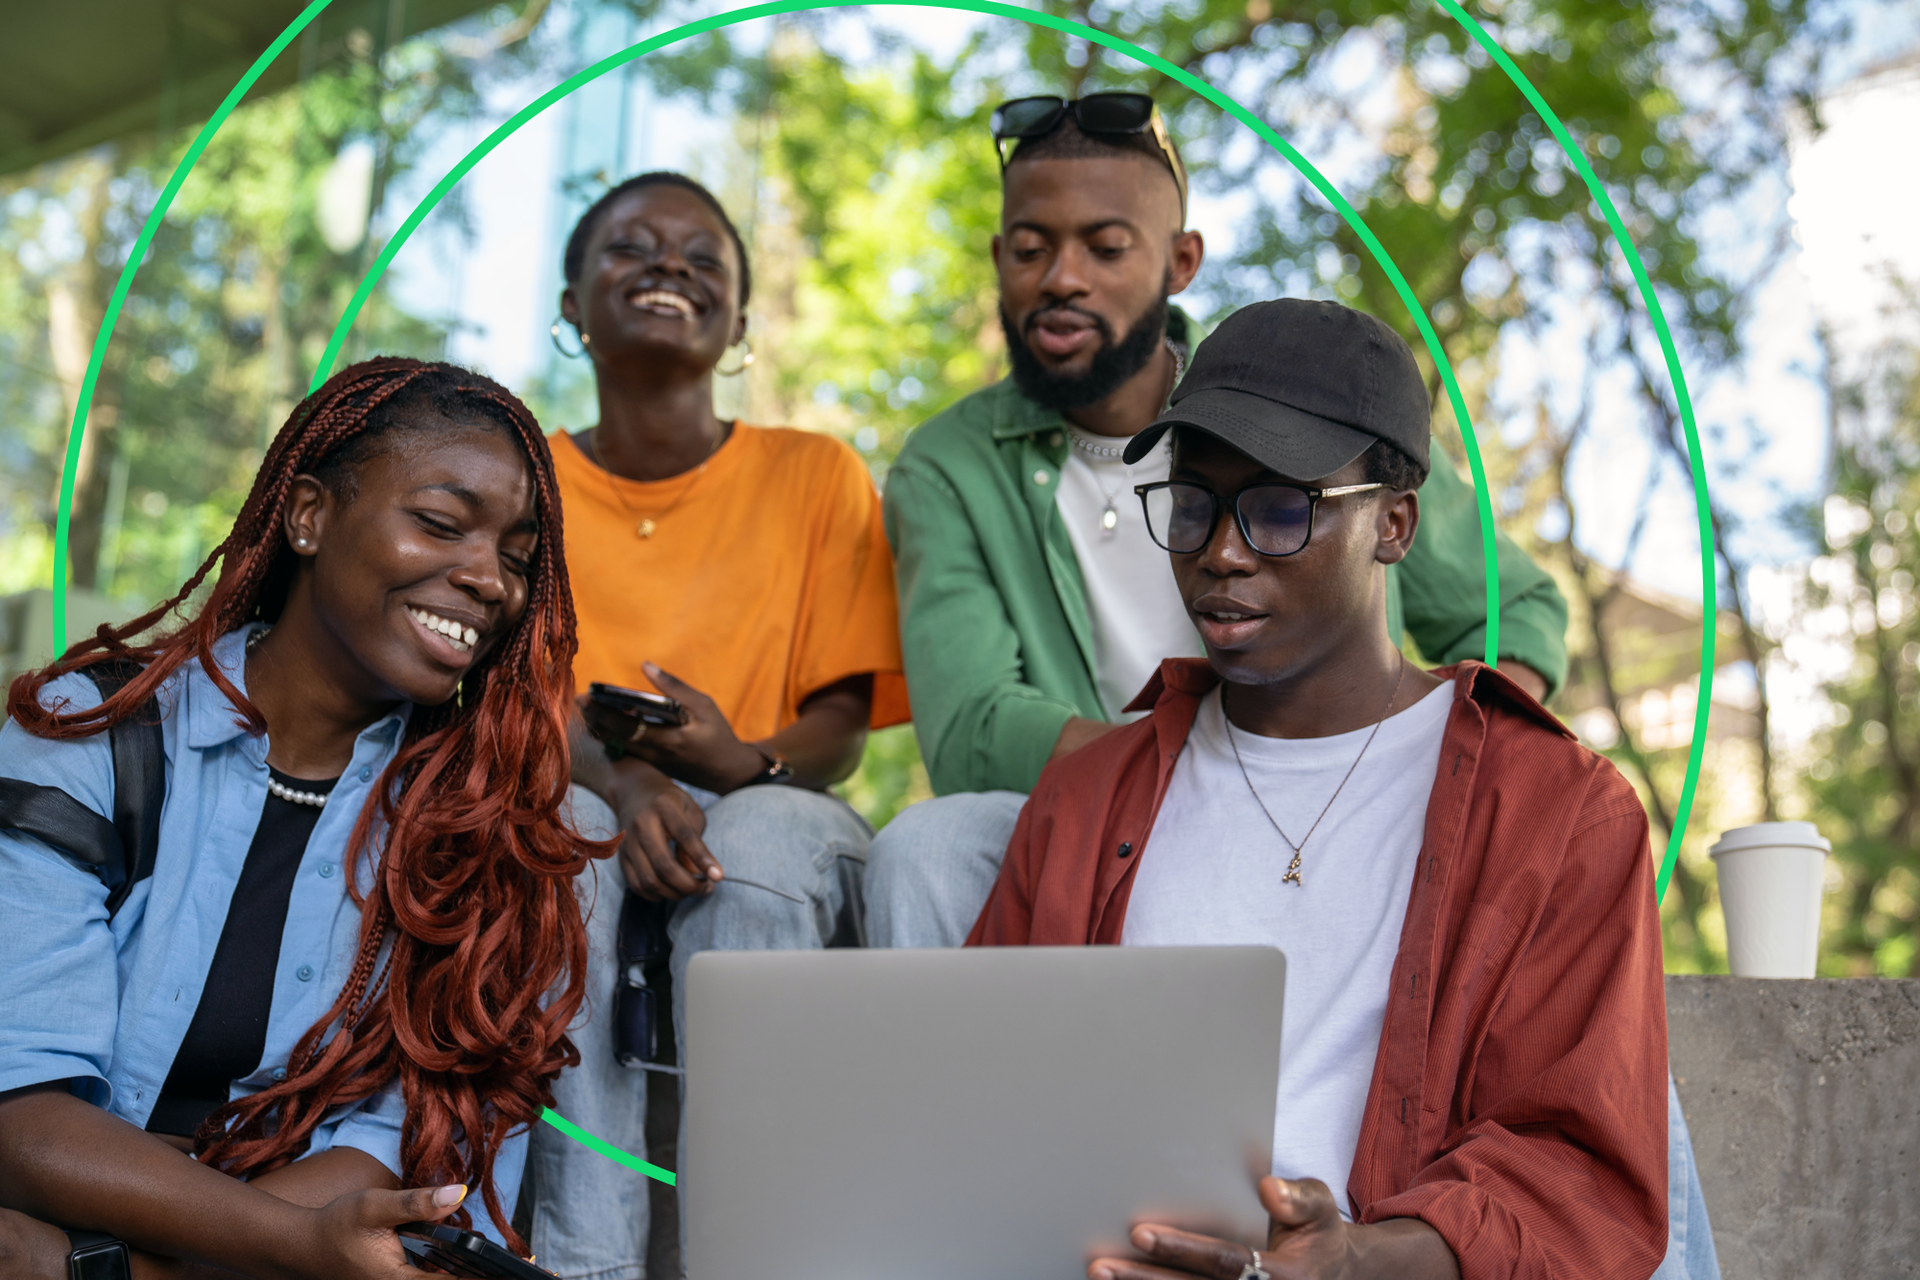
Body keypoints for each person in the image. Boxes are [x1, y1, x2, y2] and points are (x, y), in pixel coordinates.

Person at [967, 299, 1669, 1280]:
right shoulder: (1087, 796)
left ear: (1394, 522)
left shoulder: (1559, 811)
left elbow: (1580, 1175)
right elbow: (980, 1102)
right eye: (1194, 503)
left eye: (1281, 507)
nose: (1221, 549)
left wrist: (1364, 1258)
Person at [865, 97, 1569, 952]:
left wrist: (1457, 781)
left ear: (1181, 261)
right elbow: (974, 731)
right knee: (928, 849)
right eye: (1029, 248)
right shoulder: (948, 463)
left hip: (1329, 799)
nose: (1061, 277)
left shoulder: (1303, 397)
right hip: (1092, 817)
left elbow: (1515, 610)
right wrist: (1186, 772)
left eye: (1107, 246)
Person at [0, 359, 596, 1279]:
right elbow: (19, 1114)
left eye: (516, 560)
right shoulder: (93, 737)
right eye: (440, 524)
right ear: (309, 515)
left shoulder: (484, 823)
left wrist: (102, 1269)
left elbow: (406, 1149)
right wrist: (293, 1243)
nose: (489, 580)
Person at [528, 171, 908, 1278]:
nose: (668, 268)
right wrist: (628, 781)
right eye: (632, 248)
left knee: (764, 841)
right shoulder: (522, 477)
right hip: (577, 793)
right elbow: (505, 701)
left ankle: (756, 1253)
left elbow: (843, 718)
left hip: (768, 803)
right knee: (560, 837)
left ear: (740, 321)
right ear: (570, 304)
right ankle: (584, 1262)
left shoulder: (816, 474)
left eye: (704, 260)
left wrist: (743, 761)